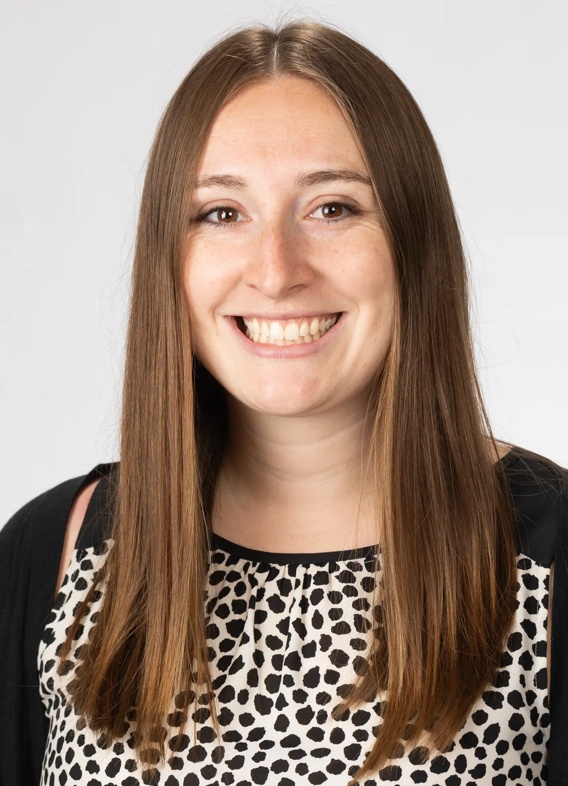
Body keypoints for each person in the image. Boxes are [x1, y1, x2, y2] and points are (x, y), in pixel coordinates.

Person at [1, 20, 567, 786]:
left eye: (332, 208)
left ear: (415, 240)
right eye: (221, 213)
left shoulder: (548, 555)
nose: (275, 271)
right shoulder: (56, 550)